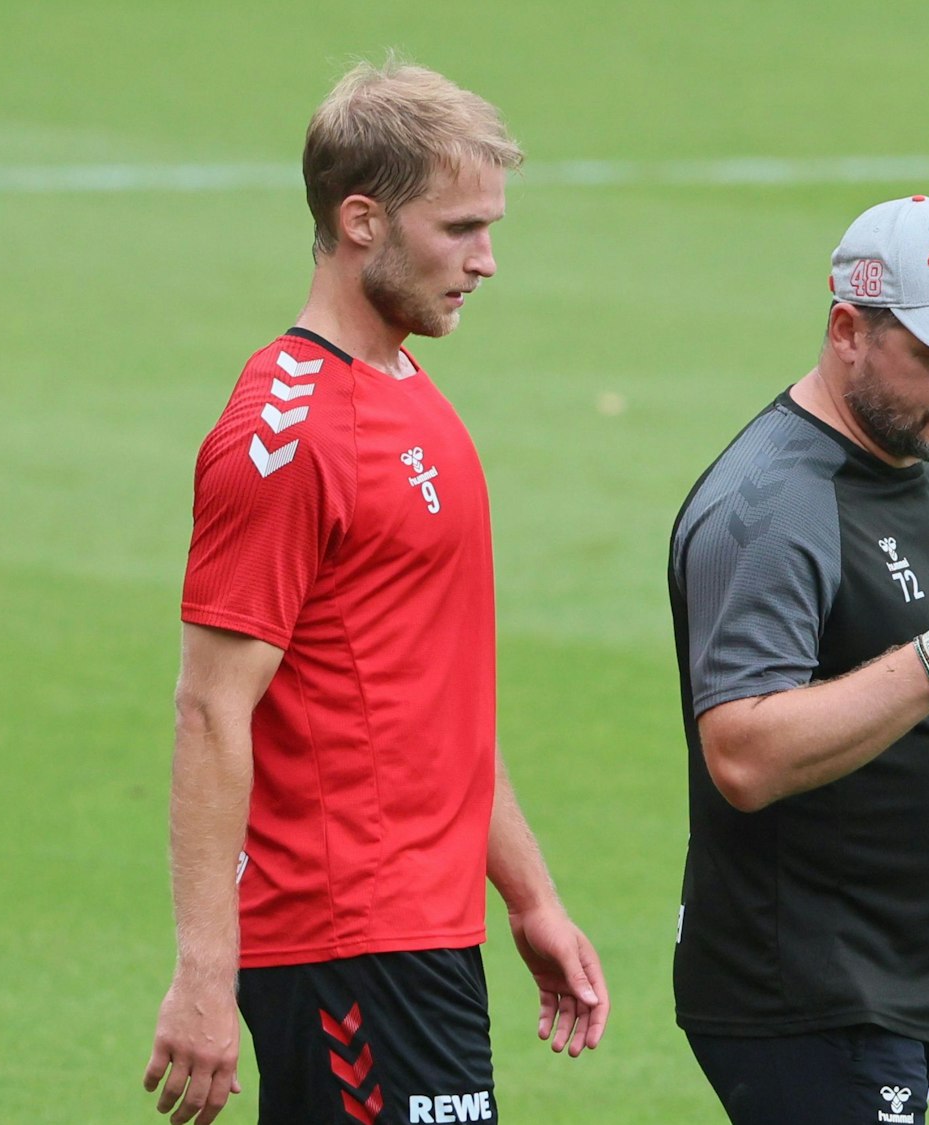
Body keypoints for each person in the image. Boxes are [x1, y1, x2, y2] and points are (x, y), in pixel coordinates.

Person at [143, 59, 608, 1125]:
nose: (485, 262)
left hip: (426, 932)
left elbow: (421, 699)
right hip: (347, 939)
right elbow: (210, 707)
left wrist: (526, 896)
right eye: (459, 230)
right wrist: (205, 979)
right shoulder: (288, 433)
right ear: (362, 220)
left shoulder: (405, 387)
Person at [667, 195, 929, 1125]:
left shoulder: (903, 446)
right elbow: (743, 754)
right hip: (810, 996)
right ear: (848, 330)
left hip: (881, 985)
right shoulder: (773, 506)